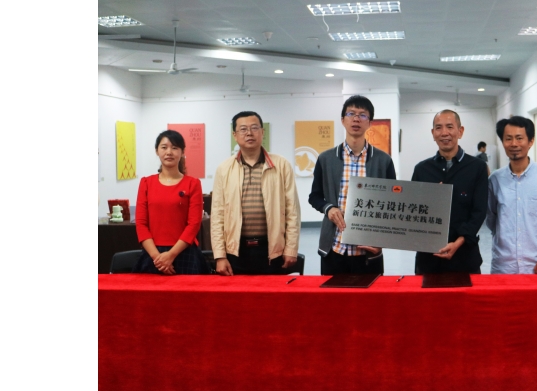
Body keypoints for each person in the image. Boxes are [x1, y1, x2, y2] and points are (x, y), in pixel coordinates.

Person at [308, 95, 396, 275]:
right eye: (351, 114)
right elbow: (314, 196)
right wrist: (329, 208)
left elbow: (392, 202)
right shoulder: (325, 159)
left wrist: (382, 240)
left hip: (368, 250)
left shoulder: (384, 161)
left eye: (362, 115)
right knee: (333, 293)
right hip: (334, 248)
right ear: (343, 120)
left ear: (369, 123)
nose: (356, 119)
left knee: (370, 294)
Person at [211, 111, 301, 275]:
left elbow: (292, 211)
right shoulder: (224, 169)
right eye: (243, 129)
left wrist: (291, 248)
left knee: (272, 291)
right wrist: (220, 255)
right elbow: (217, 214)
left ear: (262, 132)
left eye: (254, 128)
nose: (249, 133)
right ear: (235, 135)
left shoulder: (281, 165)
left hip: (272, 250)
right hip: (235, 250)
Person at [411, 110, 488, 274]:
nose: (444, 133)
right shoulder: (421, 170)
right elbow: (412, 210)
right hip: (428, 259)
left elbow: (479, 212)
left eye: (450, 127)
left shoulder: (477, 168)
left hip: (465, 257)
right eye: (438, 128)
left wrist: (458, 242)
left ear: (460, 131)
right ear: (433, 133)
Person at [487, 116, 537, 274]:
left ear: (531, 141)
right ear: (502, 142)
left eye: (519, 138)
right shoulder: (495, 179)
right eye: (508, 139)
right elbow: (491, 219)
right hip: (503, 265)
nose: (514, 144)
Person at [133, 130, 208, 274]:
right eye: (164, 147)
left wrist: (171, 255)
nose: (169, 152)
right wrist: (158, 258)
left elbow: (194, 224)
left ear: (182, 152)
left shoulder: (193, 184)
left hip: (185, 252)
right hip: (152, 255)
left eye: (174, 148)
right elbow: (141, 224)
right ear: (157, 151)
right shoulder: (146, 183)